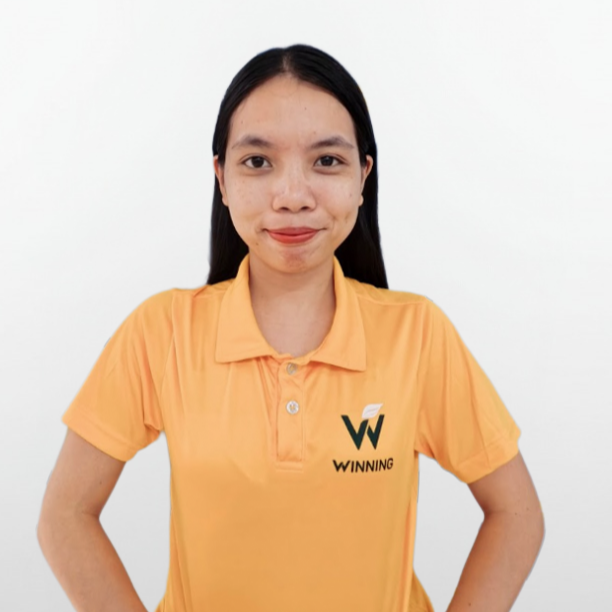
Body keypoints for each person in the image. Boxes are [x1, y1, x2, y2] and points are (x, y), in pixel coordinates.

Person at [37, 44, 544, 612]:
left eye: (326, 161)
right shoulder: (162, 332)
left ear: (363, 176)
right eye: (258, 162)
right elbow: (65, 515)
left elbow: (517, 513)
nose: (293, 197)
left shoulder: (417, 334)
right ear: (221, 178)